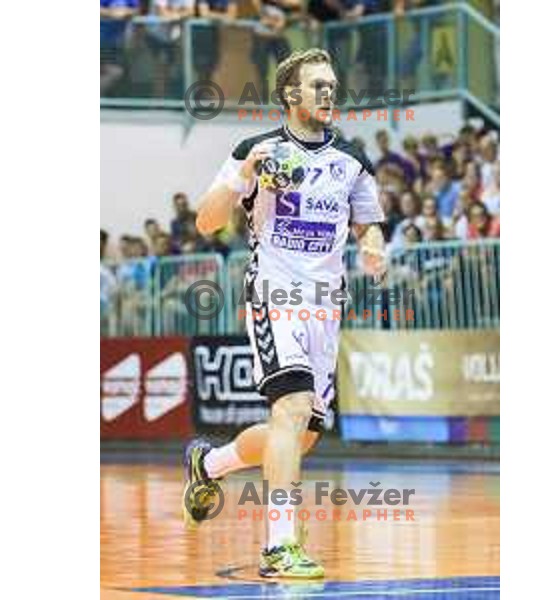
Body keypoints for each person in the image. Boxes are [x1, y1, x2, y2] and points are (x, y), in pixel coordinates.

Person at [183, 48, 385, 578]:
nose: (328, 93)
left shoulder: (353, 159)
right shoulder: (257, 149)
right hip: (275, 295)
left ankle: (209, 463)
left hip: (325, 308)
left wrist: (375, 245)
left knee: (301, 434)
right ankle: (278, 547)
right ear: (291, 95)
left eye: (332, 86)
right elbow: (206, 222)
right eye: (318, 85)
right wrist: (241, 177)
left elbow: (369, 220)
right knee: (291, 411)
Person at [250, 0, 298, 103]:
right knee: (261, 73)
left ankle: (287, 102)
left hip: (279, 37)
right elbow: (256, 7)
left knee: (287, 70)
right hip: (261, 37)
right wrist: (272, 21)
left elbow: (297, 7)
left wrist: (283, 21)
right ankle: (261, 103)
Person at [100, 0, 140, 95]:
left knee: (116, 72)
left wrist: (125, 12)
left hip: (115, 42)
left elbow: (136, 10)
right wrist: (111, 13)